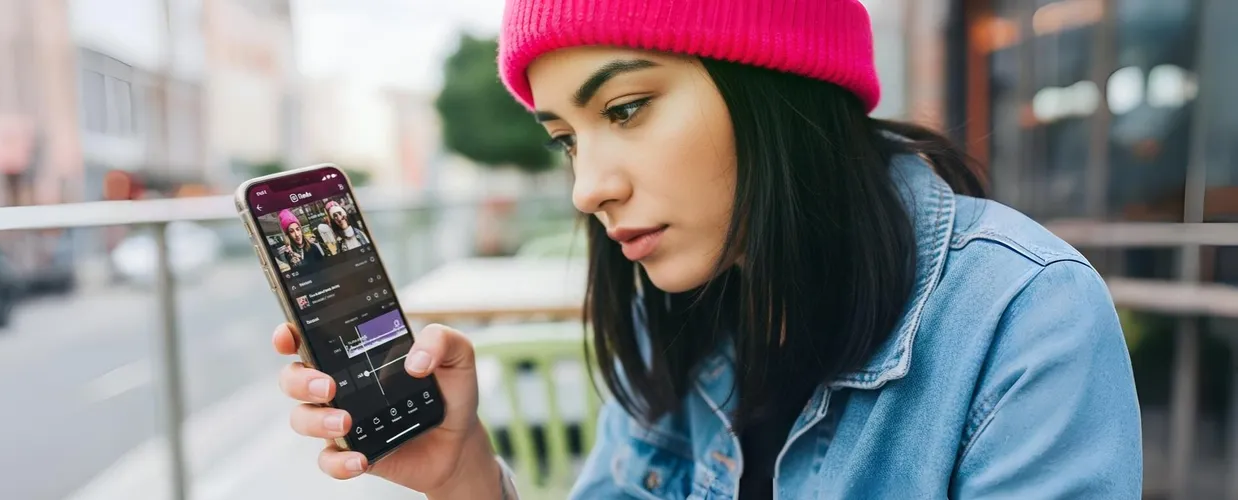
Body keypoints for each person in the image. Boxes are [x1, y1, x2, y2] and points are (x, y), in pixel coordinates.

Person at [270, 0, 1142, 498]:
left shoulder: (1022, 319)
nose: (589, 187)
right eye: (567, 138)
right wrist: (463, 476)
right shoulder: (676, 310)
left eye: (625, 109)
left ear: (775, 85)